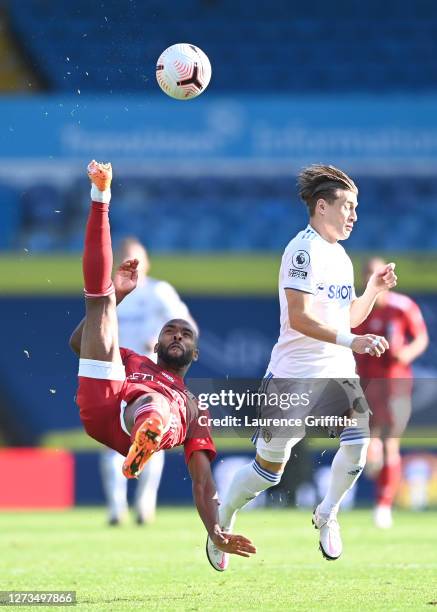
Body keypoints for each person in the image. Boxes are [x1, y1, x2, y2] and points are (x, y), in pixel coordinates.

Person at [207, 164, 397, 571]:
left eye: (356, 207)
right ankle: (221, 521)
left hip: (336, 372)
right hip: (294, 374)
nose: (354, 215)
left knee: (359, 445)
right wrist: (354, 340)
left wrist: (372, 291)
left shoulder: (342, 256)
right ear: (322, 206)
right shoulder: (302, 250)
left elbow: (347, 319)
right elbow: (300, 318)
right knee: (267, 472)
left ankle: (328, 512)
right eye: (347, 206)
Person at [69, 160, 256, 562]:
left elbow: (203, 482)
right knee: (99, 302)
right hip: (106, 402)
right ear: (157, 345)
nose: (176, 334)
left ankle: (149, 431)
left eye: (185, 333)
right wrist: (115, 297)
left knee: (156, 405)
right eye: (170, 331)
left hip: (147, 414)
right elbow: (77, 343)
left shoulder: (195, 409)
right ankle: (101, 195)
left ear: (196, 352)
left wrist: (216, 531)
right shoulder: (135, 359)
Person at [100, 236, 193, 526]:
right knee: (112, 440)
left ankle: (144, 505)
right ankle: (116, 508)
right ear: (116, 262)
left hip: (150, 376)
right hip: (115, 373)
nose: (132, 264)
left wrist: (165, 341)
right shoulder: (108, 295)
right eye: (126, 258)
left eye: (137, 259)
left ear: (147, 262)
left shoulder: (159, 292)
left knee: (152, 436)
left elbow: (185, 326)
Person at [354, 257, 429, 528]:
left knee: (391, 440)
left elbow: (421, 337)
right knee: (368, 441)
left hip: (396, 382)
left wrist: (406, 353)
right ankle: (372, 457)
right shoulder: (357, 309)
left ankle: (383, 505)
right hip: (364, 383)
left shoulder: (402, 306)